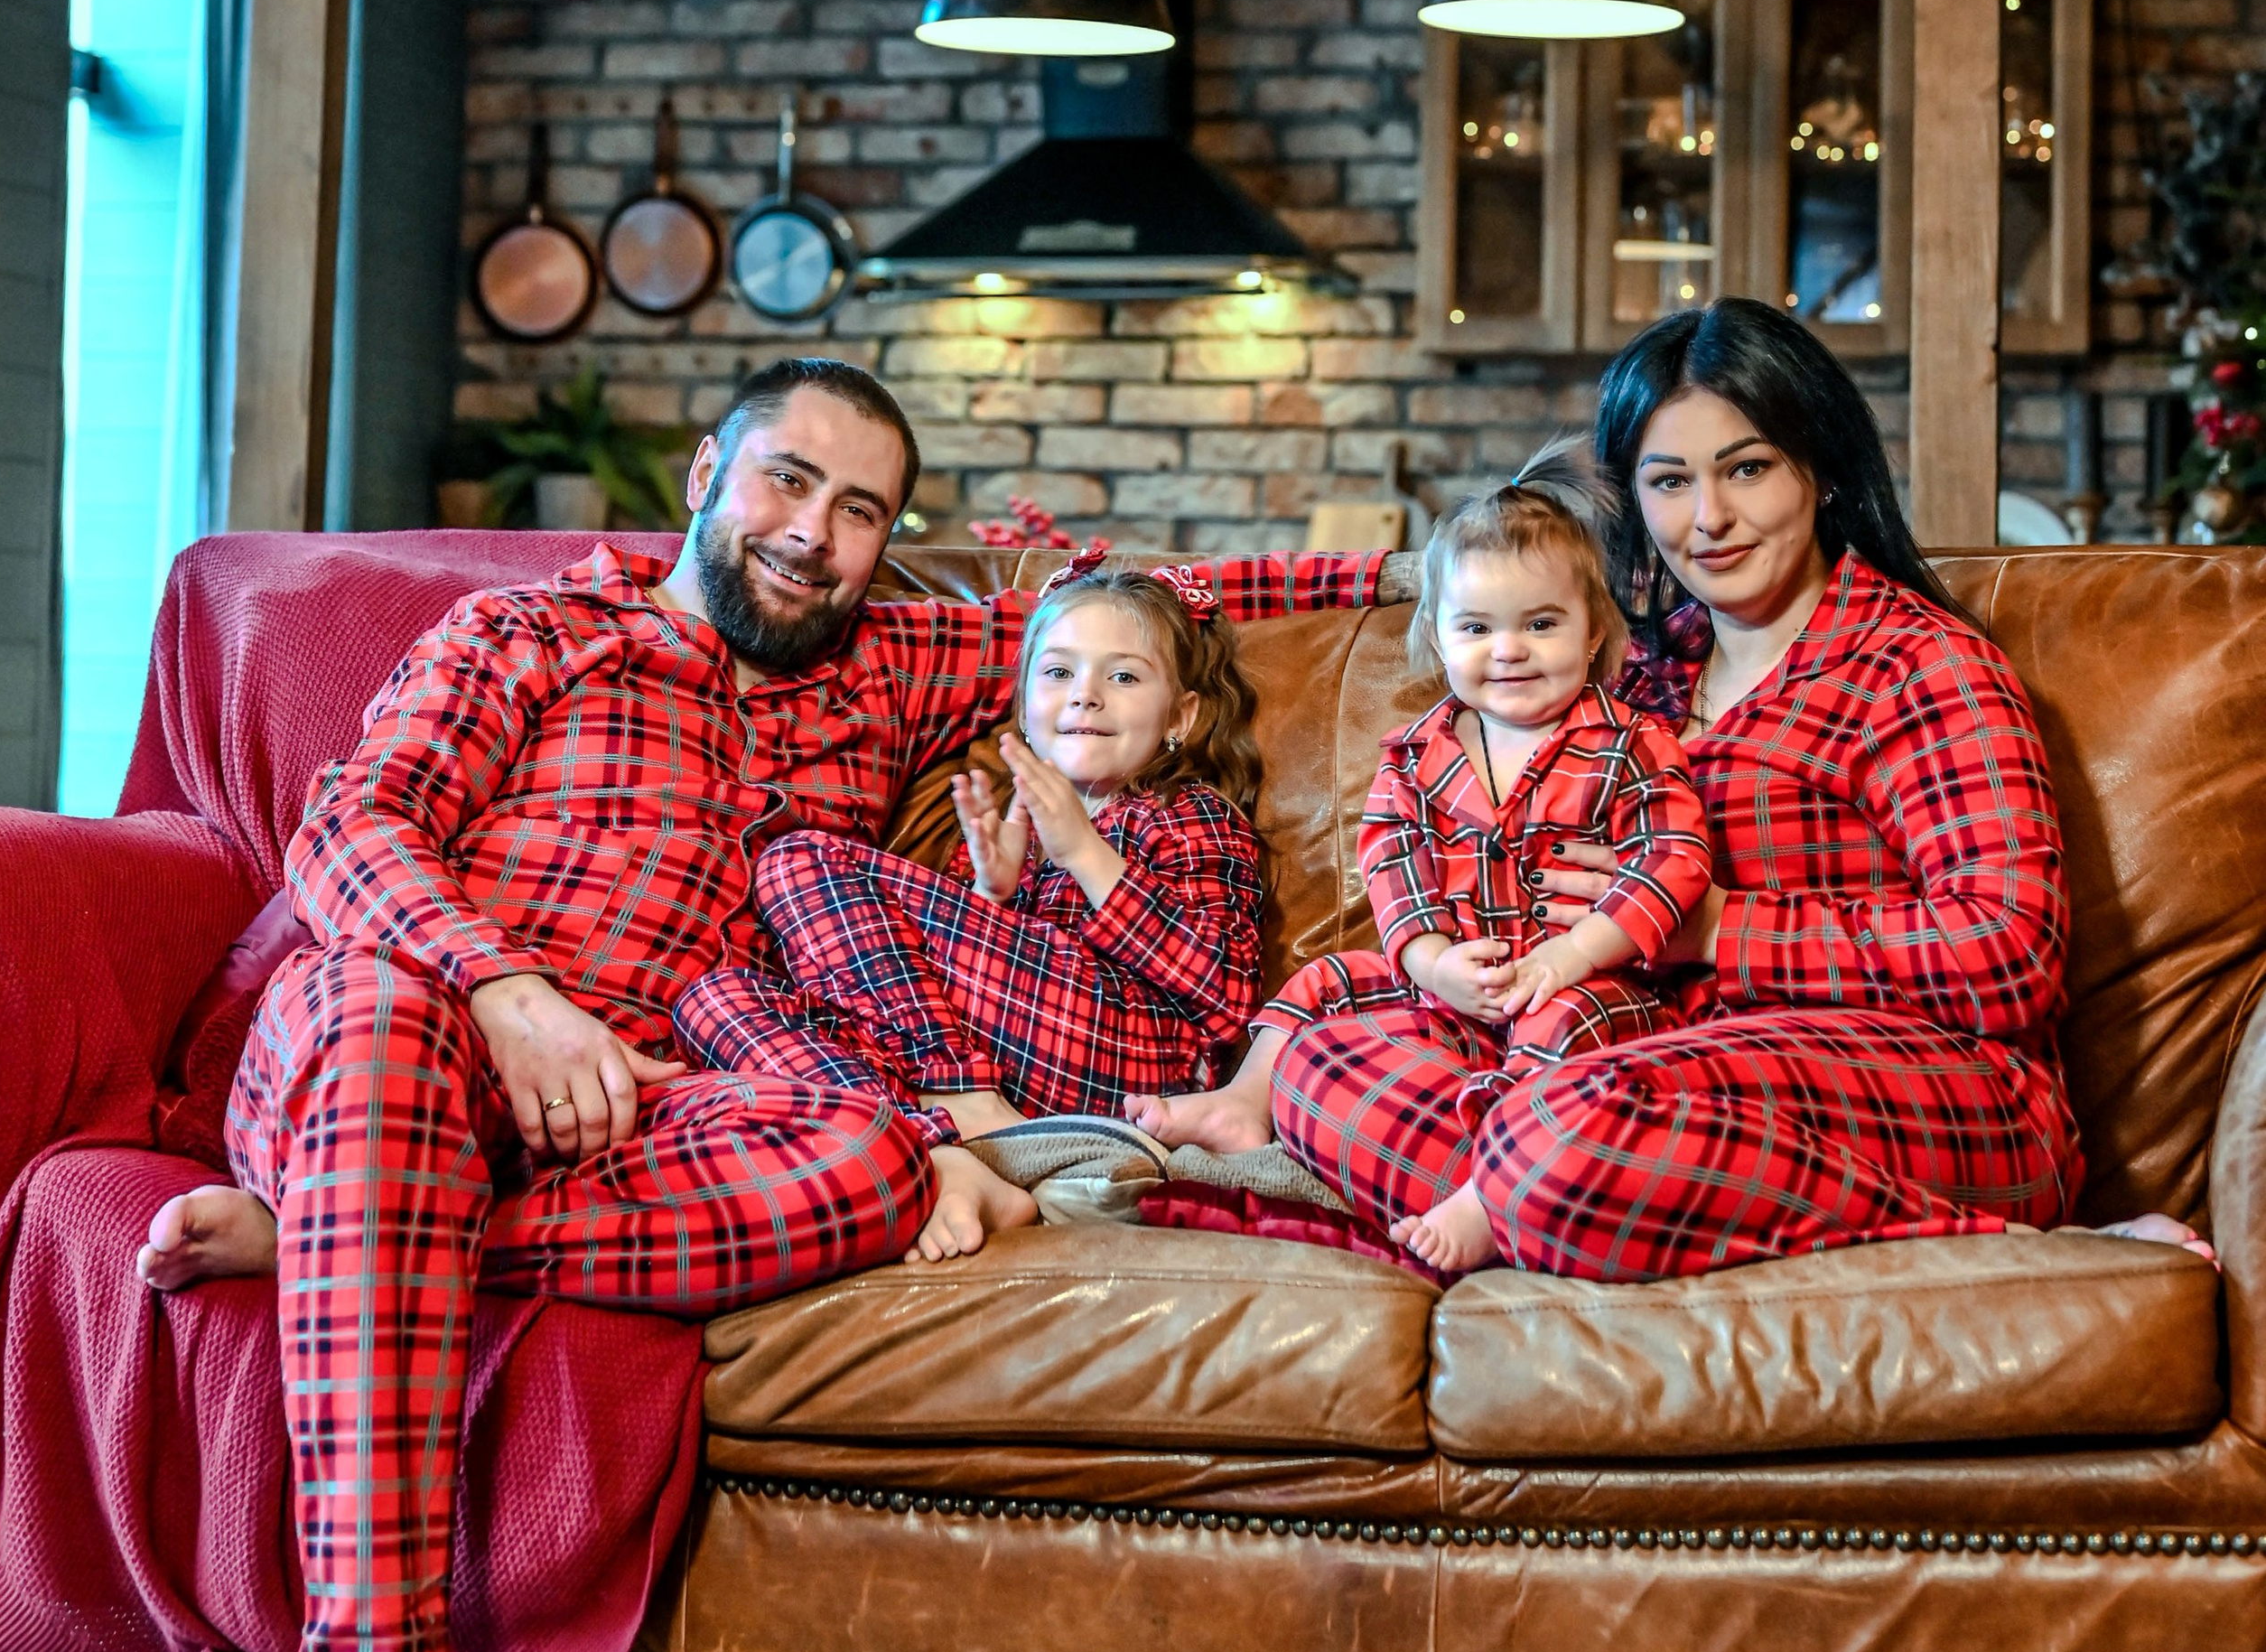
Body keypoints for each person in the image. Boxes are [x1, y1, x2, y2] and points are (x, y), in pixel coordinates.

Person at [133, 354, 1403, 1652]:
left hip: (660, 1095)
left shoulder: (888, 659)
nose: (815, 533)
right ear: (704, 477)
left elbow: (1158, 607)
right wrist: (506, 992)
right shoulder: (535, 631)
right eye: (787, 482)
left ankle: (342, 1240)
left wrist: (1395, 564)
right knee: (382, 1031)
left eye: (863, 511)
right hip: (425, 1012)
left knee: (882, 1161)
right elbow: (357, 828)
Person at [1139, 299, 2087, 1286]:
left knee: (1579, 1115)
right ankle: (1538, 1190)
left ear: (1823, 466)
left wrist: (1713, 927)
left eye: (1746, 467)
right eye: (1669, 480)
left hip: (1931, 1086)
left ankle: (1973, 1233)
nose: (1707, 517)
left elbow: (2007, 956)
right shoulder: (1634, 677)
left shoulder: (1917, 666)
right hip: (1655, 1071)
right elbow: (1453, 574)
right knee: (1317, 1062)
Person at [672, 562, 1267, 1260]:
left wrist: (1085, 853)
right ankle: (945, 1154)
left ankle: (959, 1108)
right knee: (713, 1000)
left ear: (1182, 716)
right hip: (1011, 1076)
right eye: (1058, 673)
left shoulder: (1188, 815)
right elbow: (913, 991)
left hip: (1135, 1072)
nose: (1087, 697)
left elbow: (1226, 999)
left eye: (1124, 677)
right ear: (1024, 709)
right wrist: (992, 893)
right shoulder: (1011, 827)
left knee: (797, 860)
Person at [1225, 452, 1708, 1274]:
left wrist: (1571, 954)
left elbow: (1674, 858)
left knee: (1568, 1025)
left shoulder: (1631, 745)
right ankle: (1242, 1102)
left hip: (1588, 995)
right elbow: (1391, 861)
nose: (1509, 650)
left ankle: (1492, 1189)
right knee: (1330, 990)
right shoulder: (1415, 756)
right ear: (1439, 638)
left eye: (1541, 623)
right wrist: (1429, 961)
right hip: (1455, 992)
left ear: (1593, 629)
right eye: (1477, 628)